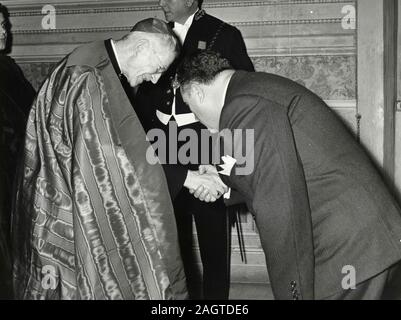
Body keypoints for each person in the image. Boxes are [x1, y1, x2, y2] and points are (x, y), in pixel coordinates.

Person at [176, 50, 401, 300]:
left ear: (197, 92)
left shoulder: (242, 105)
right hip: (368, 243)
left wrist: (292, 294)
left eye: (193, 112)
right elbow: (280, 167)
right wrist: (223, 180)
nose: (202, 123)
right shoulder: (256, 88)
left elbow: (278, 207)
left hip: (349, 251)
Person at [11, 18, 188, 300]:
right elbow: (112, 166)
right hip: (65, 213)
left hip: (52, 196)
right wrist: (186, 177)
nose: (155, 79)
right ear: (142, 46)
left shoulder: (91, 59)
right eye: (159, 69)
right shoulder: (91, 78)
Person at [134, 0, 254, 299]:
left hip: (205, 142)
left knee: (213, 236)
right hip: (162, 142)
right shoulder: (154, 33)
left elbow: (242, 91)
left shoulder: (223, 34)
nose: (161, 2)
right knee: (169, 236)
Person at [0, 3, 36, 299]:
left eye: (5, 24)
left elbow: (30, 112)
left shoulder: (7, 67)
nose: (4, 31)